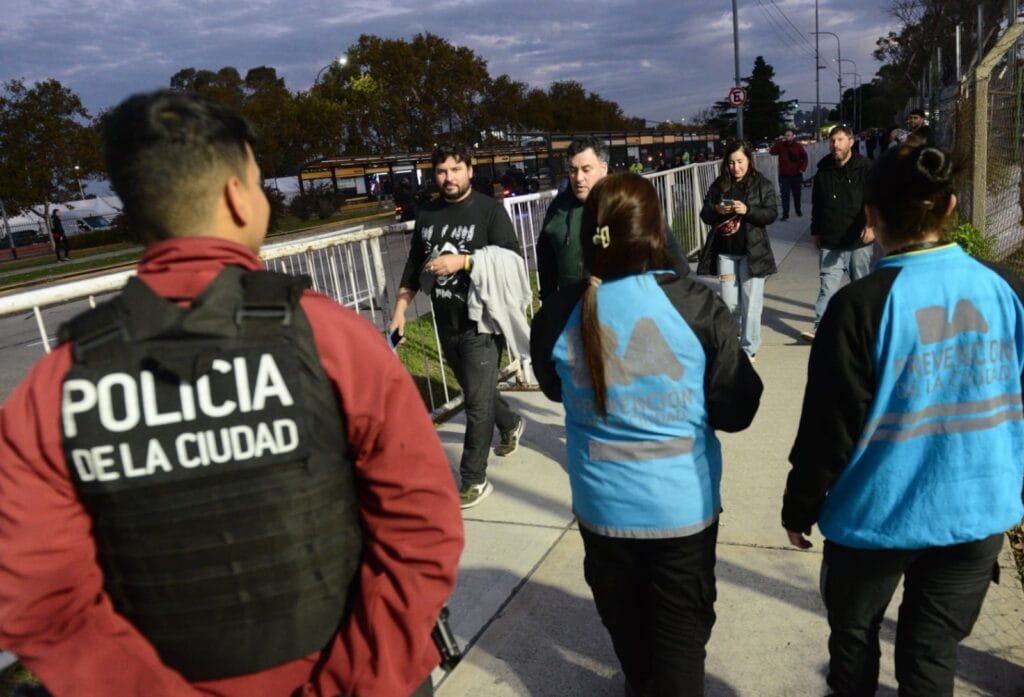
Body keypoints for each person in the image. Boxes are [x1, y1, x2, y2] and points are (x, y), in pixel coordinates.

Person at [0, 90, 464, 697]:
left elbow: (38, 597)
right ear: (236, 195)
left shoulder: (54, 388)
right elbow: (422, 529)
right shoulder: (335, 341)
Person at [782, 143, 1024, 697]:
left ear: (871, 217)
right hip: (976, 512)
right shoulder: (1001, 289)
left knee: (853, 640)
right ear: (951, 208)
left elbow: (829, 429)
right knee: (931, 656)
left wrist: (800, 506)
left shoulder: (859, 305)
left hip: (877, 517)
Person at [531, 172, 762, 697]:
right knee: (681, 647)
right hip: (682, 512)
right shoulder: (696, 306)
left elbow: (552, 390)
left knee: (631, 642)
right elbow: (736, 408)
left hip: (602, 512)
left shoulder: (560, 311)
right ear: (656, 231)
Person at [389, 143, 525, 509]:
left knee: (476, 406)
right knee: (477, 393)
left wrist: (464, 263)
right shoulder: (428, 212)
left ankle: (473, 479)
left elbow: (513, 259)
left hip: (481, 322)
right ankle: (511, 423)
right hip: (445, 322)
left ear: (469, 169)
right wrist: (400, 309)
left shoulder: (489, 211)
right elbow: (416, 262)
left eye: (455, 170)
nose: (448, 178)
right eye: (441, 171)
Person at [537, 136, 690, 301]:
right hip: (572, 312)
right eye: (573, 170)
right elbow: (546, 256)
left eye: (586, 169)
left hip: (624, 311)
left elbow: (676, 261)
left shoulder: (628, 201)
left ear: (603, 168)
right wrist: (548, 300)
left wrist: (657, 301)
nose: (578, 178)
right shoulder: (559, 208)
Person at [697, 141, 778, 361]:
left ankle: (748, 347)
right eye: (731, 162)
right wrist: (716, 209)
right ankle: (734, 339)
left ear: (749, 161)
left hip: (752, 254)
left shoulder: (761, 184)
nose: (736, 167)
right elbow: (704, 214)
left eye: (740, 162)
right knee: (730, 303)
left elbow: (771, 213)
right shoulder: (719, 184)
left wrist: (748, 210)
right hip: (726, 254)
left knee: (751, 303)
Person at [800, 125, 873, 343]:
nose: (835, 144)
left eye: (840, 139)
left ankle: (865, 327)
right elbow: (817, 203)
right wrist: (815, 231)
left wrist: (871, 226)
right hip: (831, 239)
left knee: (861, 287)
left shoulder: (865, 168)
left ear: (851, 142)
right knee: (827, 287)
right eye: (832, 140)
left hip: (857, 240)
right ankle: (820, 328)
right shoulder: (824, 169)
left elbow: (873, 201)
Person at [769, 129, 808, 221]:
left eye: (789, 135)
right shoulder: (780, 146)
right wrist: (778, 142)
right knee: (785, 196)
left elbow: (805, 158)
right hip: (784, 176)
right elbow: (772, 151)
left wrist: (802, 169)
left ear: (793, 136)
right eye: (786, 135)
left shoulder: (798, 146)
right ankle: (785, 214)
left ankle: (798, 210)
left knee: (797, 195)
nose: (788, 137)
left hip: (796, 175)